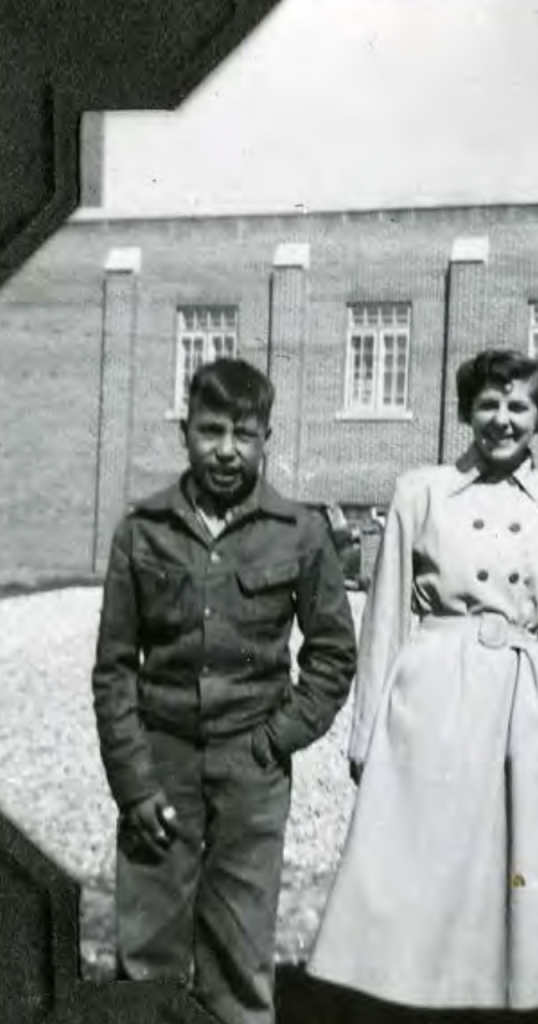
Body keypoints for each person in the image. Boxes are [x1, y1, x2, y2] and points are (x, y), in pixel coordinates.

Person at [307, 349, 538, 1014]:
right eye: (489, 405)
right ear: (468, 411)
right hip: (432, 691)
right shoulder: (422, 491)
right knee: (423, 873)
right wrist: (365, 733)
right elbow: (384, 615)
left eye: (518, 406)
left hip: (519, 702)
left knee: (508, 878)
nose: (502, 419)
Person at [92, 358, 357, 1024]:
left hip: (253, 771)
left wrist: (276, 740)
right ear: (186, 432)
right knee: (147, 956)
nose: (227, 450)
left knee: (239, 958)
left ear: (268, 438)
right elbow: (115, 667)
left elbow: (331, 655)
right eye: (212, 431)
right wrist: (134, 782)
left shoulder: (300, 533)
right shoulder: (143, 530)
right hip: (162, 763)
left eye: (245, 434)